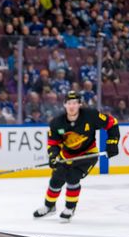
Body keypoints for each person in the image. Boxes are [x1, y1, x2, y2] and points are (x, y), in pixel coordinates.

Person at [33, 90, 120, 221]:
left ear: (79, 104)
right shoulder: (57, 123)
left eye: (74, 103)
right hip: (66, 155)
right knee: (56, 180)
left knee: (73, 177)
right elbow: (53, 143)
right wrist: (53, 156)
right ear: (64, 105)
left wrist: (112, 143)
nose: (72, 106)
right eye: (69, 103)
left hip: (87, 155)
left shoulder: (91, 116)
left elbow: (112, 124)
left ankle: (70, 208)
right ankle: (49, 206)